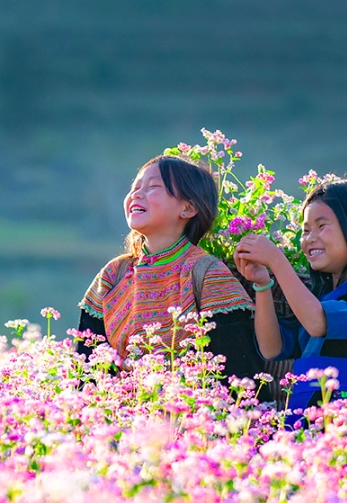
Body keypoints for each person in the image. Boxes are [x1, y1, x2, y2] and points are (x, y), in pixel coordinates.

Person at [233, 179, 347, 436]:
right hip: (304, 422)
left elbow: (319, 323)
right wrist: (263, 285)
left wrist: (277, 260)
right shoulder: (320, 297)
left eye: (321, 226)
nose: (309, 238)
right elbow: (271, 348)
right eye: (306, 230)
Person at [77, 154, 268, 396]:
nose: (136, 194)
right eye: (135, 188)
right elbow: (86, 367)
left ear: (188, 208)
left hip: (189, 415)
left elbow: (237, 373)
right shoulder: (113, 275)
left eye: (153, 187)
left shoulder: (208, 274)